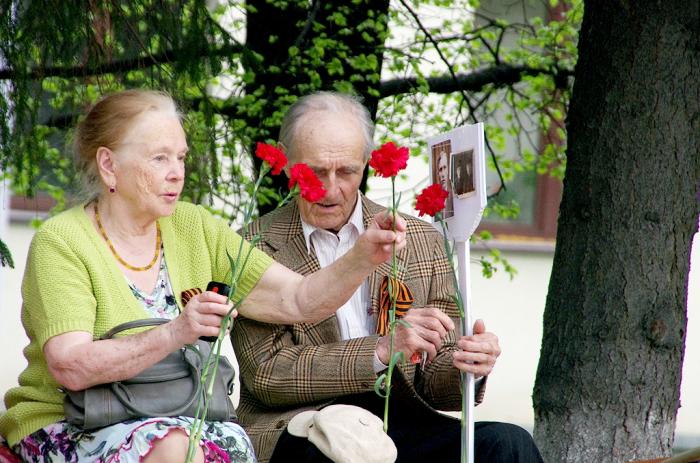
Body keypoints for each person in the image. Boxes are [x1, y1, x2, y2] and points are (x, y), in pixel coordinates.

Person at [0, 89, 406, 463]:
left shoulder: (193, 225)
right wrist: (175, 332)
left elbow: (297, 300)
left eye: (181, 157)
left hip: (184, 415)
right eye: (159, 158)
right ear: (109, 165)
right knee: (178, 448)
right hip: (73, 422)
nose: (177, 172)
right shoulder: (62, 240)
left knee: (227, 443)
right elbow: (71, 366)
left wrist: (361, 257)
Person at [232, 92, 544, 462]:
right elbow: (269, 376)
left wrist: (468, 366)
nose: (331, 189)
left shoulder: (419, 239)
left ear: (365, 162)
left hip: (398, 420)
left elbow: (435, 385)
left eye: (347, 171)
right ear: (285, 162)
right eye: (315, 172)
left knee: (507, 444)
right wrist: (380, 350)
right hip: (301, 423)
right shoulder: (250, 246)